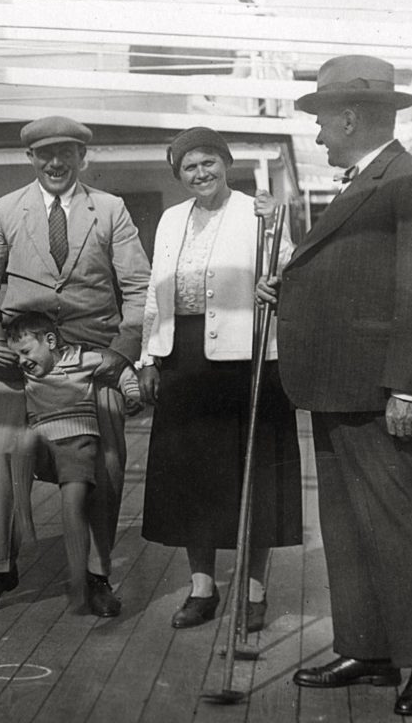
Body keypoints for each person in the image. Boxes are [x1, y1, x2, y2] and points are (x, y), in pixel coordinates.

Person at [256, 55, 412, 717]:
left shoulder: (411, 183)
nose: (317, 136)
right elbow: (348, 277)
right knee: (346, 527)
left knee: (398, 525)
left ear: (347, 117)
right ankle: (368, 646)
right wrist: (285, 287)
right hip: (336, 387)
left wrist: (409, 386)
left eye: (322, 122)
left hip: (378, 391)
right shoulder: (367, 183)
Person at [0, 115, 151, 617]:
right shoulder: (5, 211)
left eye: (66, 153)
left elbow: (138, 288)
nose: (55, 163)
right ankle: (0, 565)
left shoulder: (110, 210)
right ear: (30, 159)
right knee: (1, 450)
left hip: (92, 361)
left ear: (80, 157)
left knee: (106, 463)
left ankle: (96, 574)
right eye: (45, 155)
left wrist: (123, 350)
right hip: (24, 363)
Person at [138, 127, 302, 629]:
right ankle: (202, 587)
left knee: (252, 476)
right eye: (189, 167)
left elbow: (289, 269)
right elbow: (154, 290)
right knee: (193, 478)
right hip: (183, 361)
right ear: (179, 175)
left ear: (225, 164)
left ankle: (253, 592)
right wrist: (148, 355)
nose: (200, 174)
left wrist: (277, 281)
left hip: (247, 358)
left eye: (208, 163)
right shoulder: (170, 220)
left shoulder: (260, 212)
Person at [4, 311, 143, 613]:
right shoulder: (28, 371)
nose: (22, 361)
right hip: (43, 440)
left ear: (50, 341)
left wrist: (133, 393)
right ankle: (24, 517)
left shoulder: (83, 359)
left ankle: (79, 578)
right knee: (22, 443)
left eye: (26, 352)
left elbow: (120, 368)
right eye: (18, 357)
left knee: (73, 502)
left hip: (79, 443)